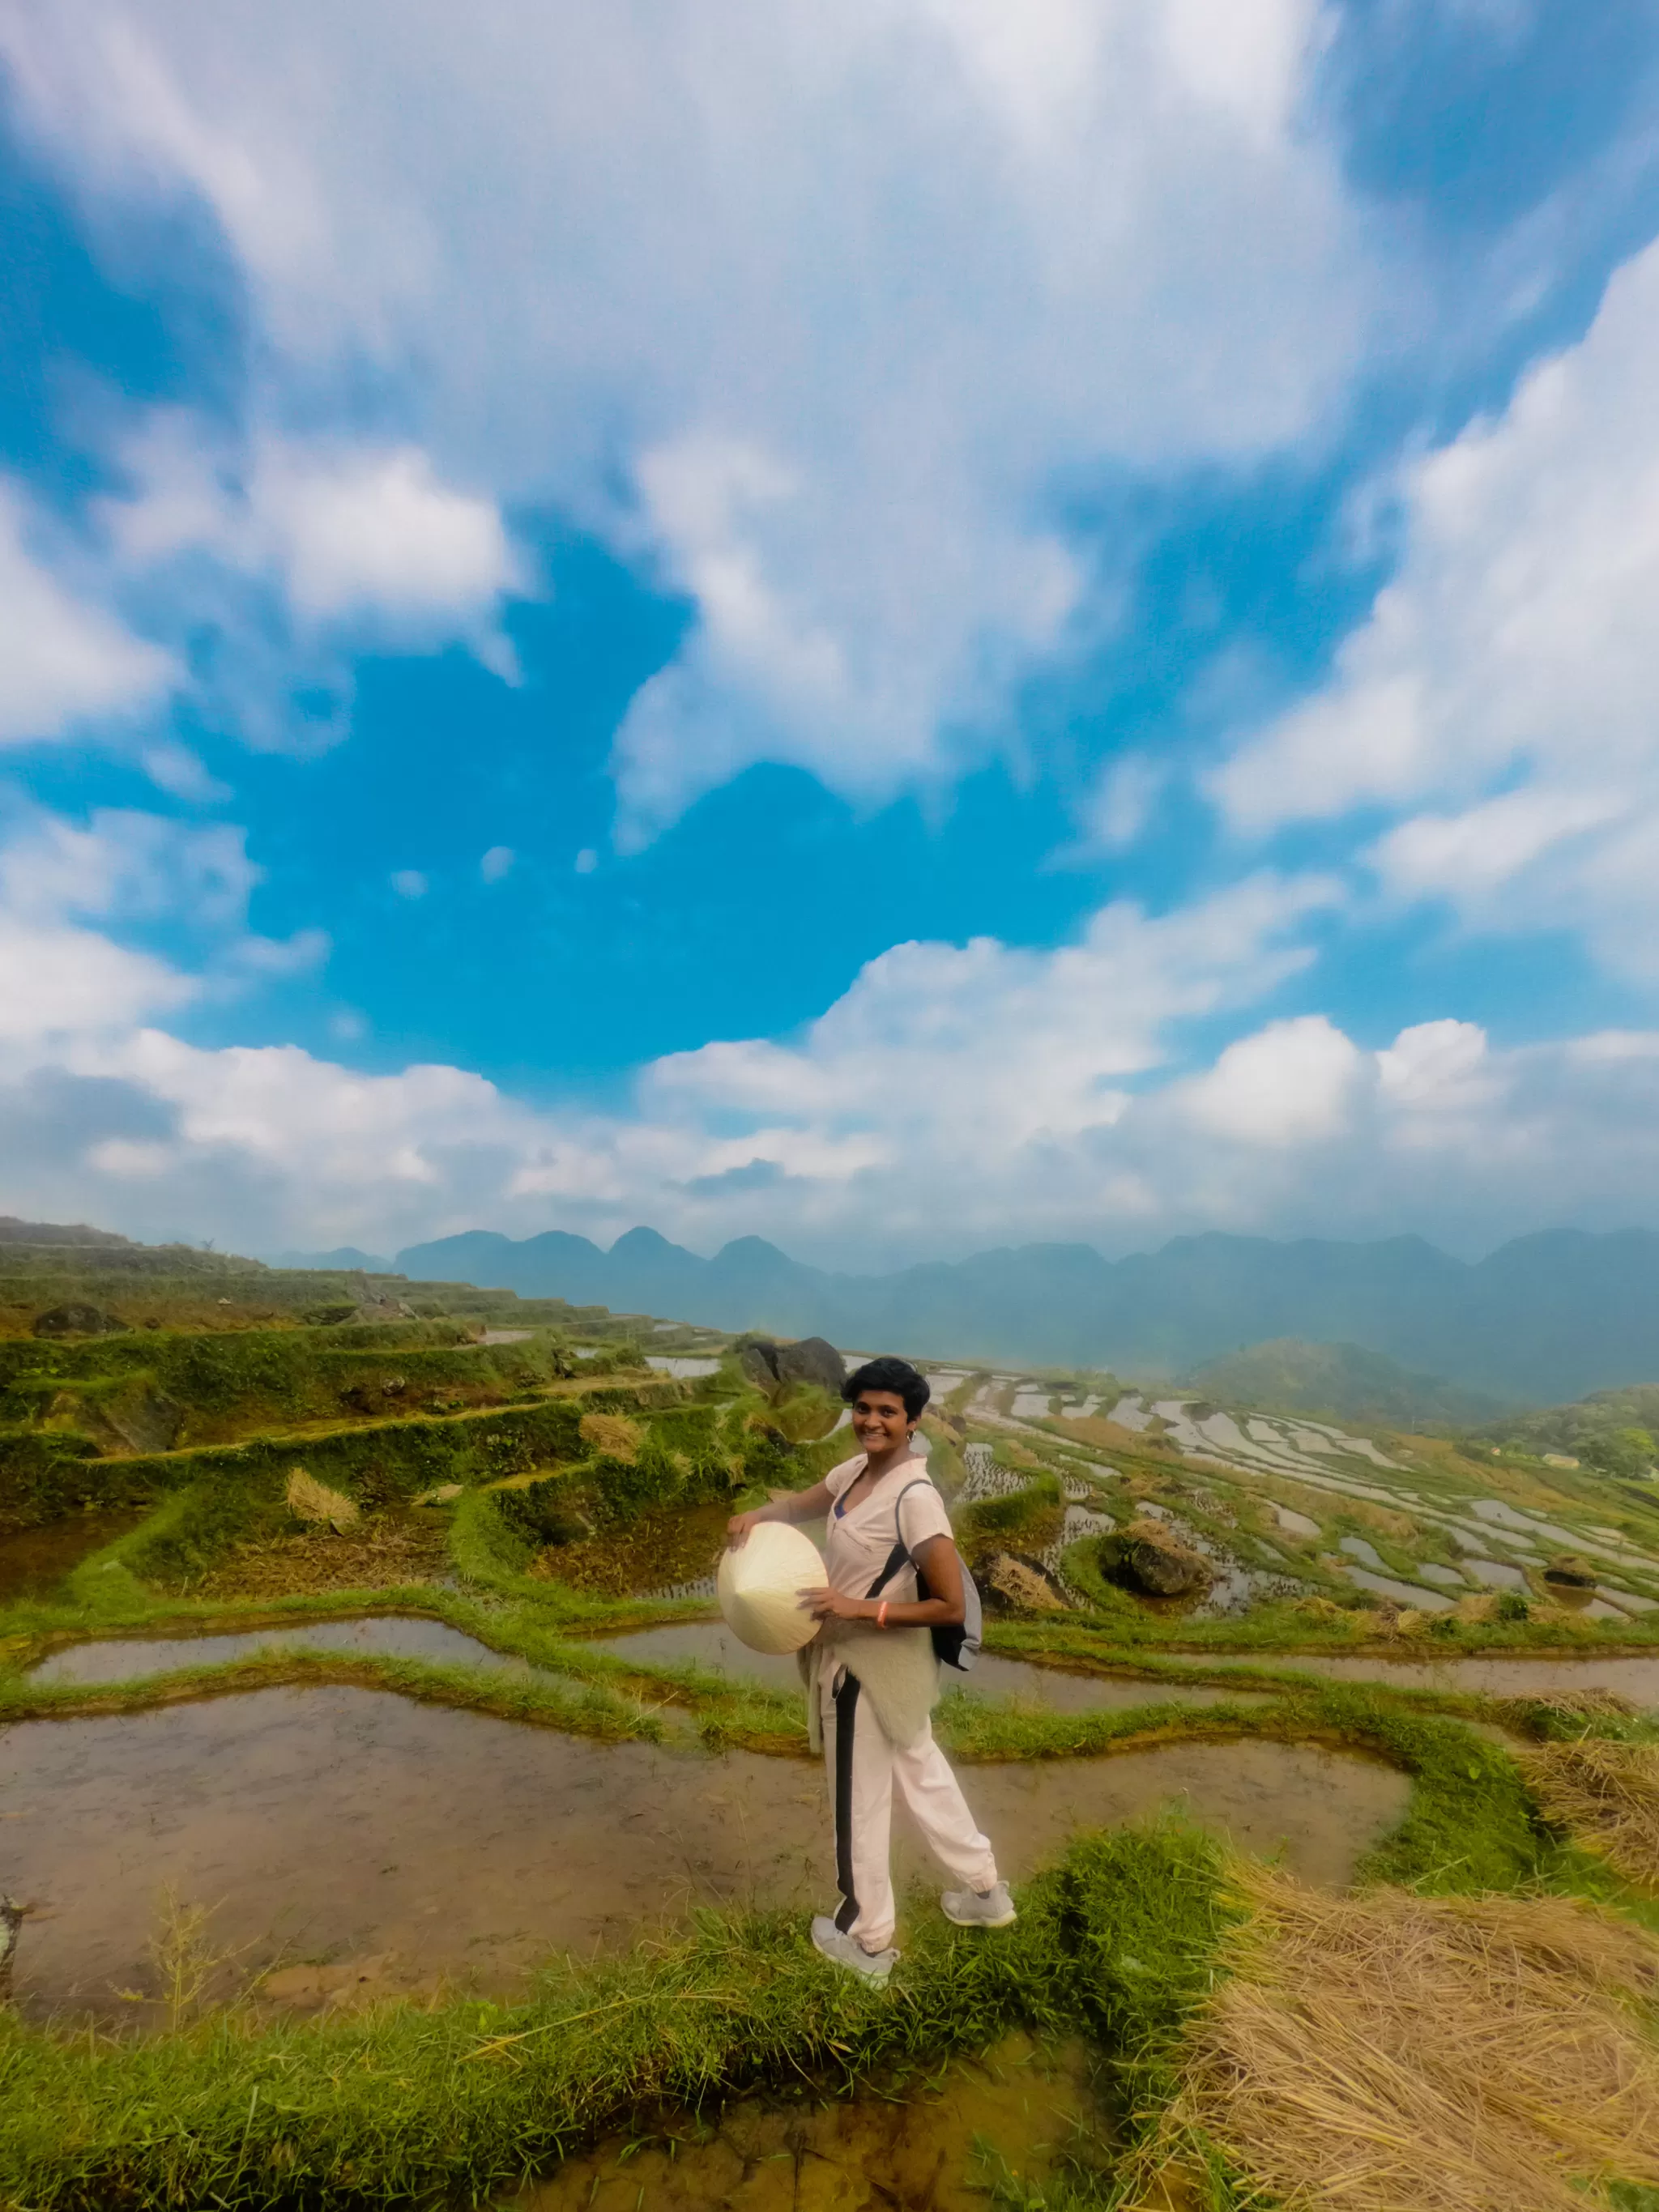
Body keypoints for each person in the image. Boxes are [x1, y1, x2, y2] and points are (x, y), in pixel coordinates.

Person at [726, 1353, 1013, 1981]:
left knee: (859, 1801)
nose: (872, 1421)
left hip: (864, 1670)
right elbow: (806, 1502)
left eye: (888, 1411)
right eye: (863, 1408)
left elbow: (949, 1604)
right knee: (924, 1774)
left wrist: (856, 1607)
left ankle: (868, 1938)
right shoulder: (856, 1472)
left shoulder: (915, 1498)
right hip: (893, 1675)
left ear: (913, 1421)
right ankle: (987, 1892)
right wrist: (757, 1516)